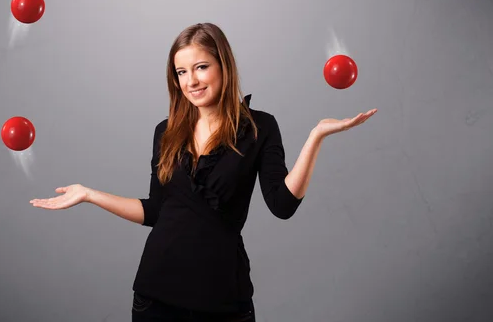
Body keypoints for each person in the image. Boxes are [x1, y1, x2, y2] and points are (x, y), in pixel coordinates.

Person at [30, 23, 377, 321]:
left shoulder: (260, 127)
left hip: (223, 298)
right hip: (155, 297)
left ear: (223, 66)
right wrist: (90, 195)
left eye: (200, 67)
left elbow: (283, 205)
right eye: (181, 72)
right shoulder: (165, 131)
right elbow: (156, 211)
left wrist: (315, 137)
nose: (191, 81)